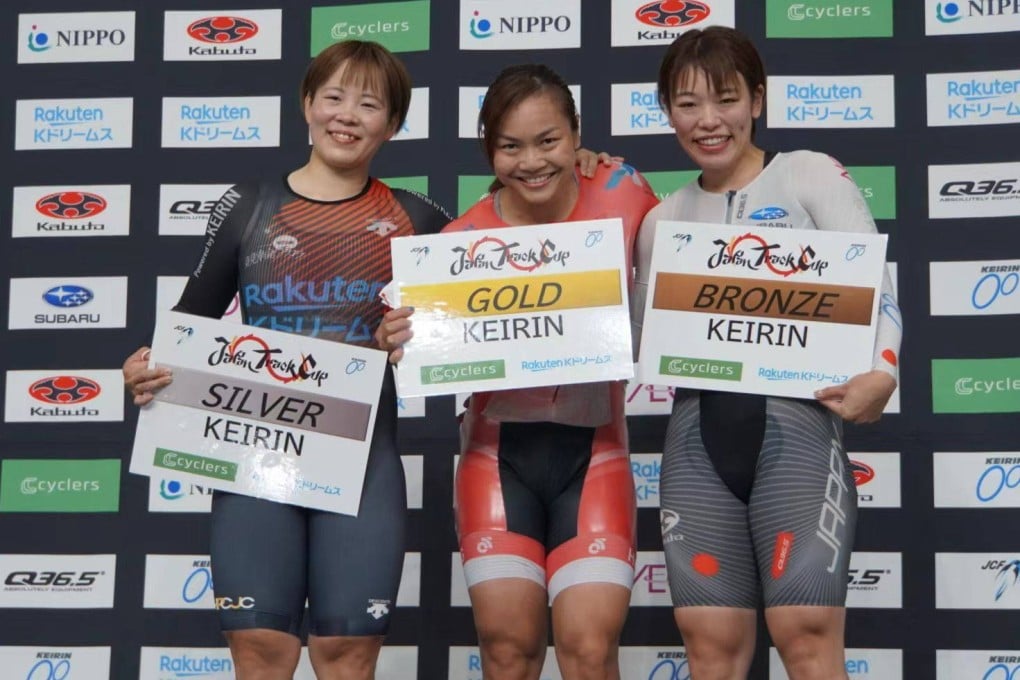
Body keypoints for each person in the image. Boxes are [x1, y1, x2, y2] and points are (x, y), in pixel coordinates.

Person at [123, 41, 617, 679]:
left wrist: (583, 166)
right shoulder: (247, 205)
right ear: (307, 104)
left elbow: (513, 243)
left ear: (394, 124)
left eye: (369, 104)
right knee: (260, 651)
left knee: (347, 654)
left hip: (361, 467)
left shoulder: (416, 219)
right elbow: (187, 327)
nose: (347, 116)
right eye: (333, 97)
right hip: (255, 466)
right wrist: (146, 368)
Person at [631, 26, 902, 680]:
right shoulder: (660, 220)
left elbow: (877, 294)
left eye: (724, 99)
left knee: (806, 638)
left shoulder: (807, 173)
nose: (708, 120)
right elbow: (649, 342)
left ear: (757, 99)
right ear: (667, 111)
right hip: (698, 444)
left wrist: (884, 371)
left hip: (798, 435)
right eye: (687, 103)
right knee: (709, 648)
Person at [378, 64, 658, 680]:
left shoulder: (622, 190)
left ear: (576, 136)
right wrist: (398, 338)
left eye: (549, 141)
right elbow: (412, 337)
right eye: (511, 146)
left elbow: (680, 271)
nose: (531, 161)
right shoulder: (461, 240)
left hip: (597, 454)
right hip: (496, 459)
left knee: (588, 650)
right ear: (489, 150)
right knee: (508, 653)